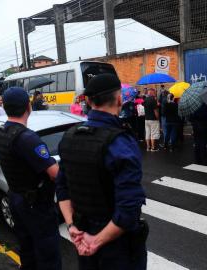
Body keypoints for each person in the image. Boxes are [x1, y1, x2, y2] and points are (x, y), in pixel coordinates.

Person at [56, 73, 147, 269]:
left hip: (82, 234)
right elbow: (128, 209)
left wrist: (72, 226)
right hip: (115, 244)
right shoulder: (121, 142)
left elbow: (62, 187)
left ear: (88, 101)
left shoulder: (69, 137)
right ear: (120, 98)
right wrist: (95, 241)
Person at [0, 87, 61, 270]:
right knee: (48, 254)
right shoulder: (27, 138)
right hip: (36, 205)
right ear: (28, 106)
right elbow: (55, 174)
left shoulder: (1, 132)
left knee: (28, 248)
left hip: (16, 197)